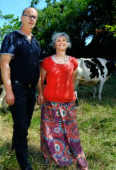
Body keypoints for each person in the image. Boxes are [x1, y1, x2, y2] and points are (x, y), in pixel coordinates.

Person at [37, 32, 89, 169]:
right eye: (58, 40)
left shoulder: (73, 61)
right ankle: (53, 155)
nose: (61, 42)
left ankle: (73, 155)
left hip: (68, 101)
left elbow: (73, 79)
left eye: (64, 40)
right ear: (54, 44)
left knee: (70, 131)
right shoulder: (46, 62)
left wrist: (70, 91)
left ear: (67, 44)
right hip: (50, 101)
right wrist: (40, 94)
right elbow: (40, 80)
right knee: (51, 131)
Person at [0, 7, 41, 170]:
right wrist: (9, 91)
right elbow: (4, 64)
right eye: (29, 16)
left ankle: (15, 145)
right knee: (22, 126)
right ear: (21, 18)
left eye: (35, 17)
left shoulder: (35, 42)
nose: (32, 19)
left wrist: (40, 91)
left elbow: (38, 68)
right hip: (18, 87)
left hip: (31, 90)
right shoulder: (12, 37)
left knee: (24, 123)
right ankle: (24, 164)